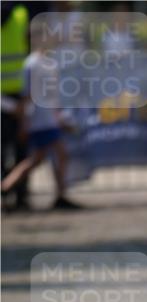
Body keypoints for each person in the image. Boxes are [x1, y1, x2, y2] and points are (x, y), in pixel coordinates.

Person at [1, 17, 81, 210]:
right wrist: (25, 122)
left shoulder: (48, 63)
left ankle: (7, 186)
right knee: (57, 154)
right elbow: (28, 95)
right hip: (40, 120)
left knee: (39, 159)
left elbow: (52, 96)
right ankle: (59, 195)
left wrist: (60, 117)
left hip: (47, 119)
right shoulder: (32, 64)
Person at [1, 2, 30, 211]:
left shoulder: (21, 14)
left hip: (15, 96)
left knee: (13, 148)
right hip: (16, 95)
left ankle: (11, 194)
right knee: (20, 148)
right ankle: (18, 195)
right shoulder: (21, 13)